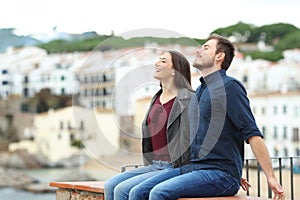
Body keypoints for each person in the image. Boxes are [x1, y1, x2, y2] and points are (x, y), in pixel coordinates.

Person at [148, 34, 285, 200]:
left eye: (206, 48)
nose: (199, 50)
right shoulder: (199, 92)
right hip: (195, 169)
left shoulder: (230, 87)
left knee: (159, 192)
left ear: (219, 56)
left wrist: (270, 176)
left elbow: (252, 133)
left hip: (220, 173)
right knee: (136, 191)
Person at [104, 50, 195, 200]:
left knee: (127, 191)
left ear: (175, 71)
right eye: (158, 59)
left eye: (163, 61)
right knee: (110, 185)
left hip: (175, 166)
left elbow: (199, 135)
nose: (156, 63)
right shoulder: (156, 98)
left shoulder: (189, 99)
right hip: (154, 164)